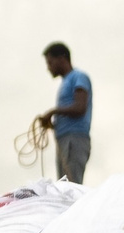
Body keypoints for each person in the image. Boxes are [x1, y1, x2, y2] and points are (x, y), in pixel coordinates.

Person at [41, 43, 92, 184]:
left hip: (74, 139)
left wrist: (53, 111)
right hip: (64, 140)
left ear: (62, 58)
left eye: (50, 62)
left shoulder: (79, 77)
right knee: (63, 187)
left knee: (71, 187)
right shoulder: (66, 82)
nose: (48, 68)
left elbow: (80, 108)